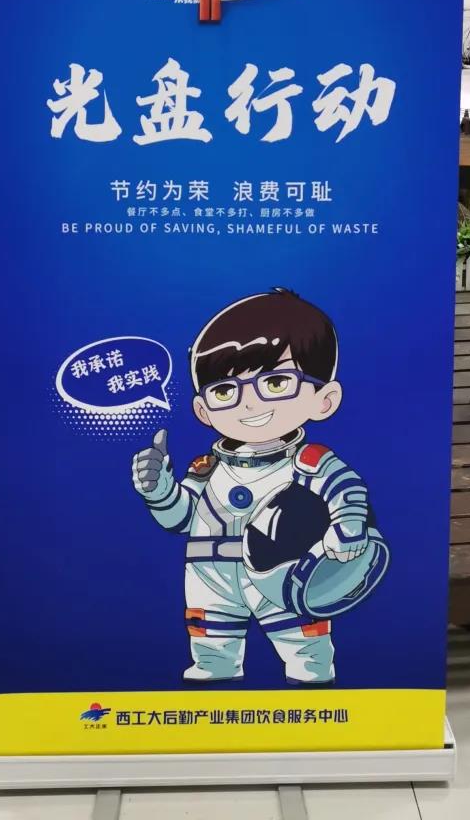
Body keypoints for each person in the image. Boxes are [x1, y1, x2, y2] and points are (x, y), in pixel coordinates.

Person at [131, 288, 387, 686]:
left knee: (309, 662)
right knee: (211, 664)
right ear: (203, 409)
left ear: (324, 399)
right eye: (224, 391)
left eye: (276, 382)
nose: (248, 403)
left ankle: (312, 714)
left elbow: (347, 491)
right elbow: (181, 520)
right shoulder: (207, 469)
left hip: (289, 575)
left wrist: (349, 527)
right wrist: (159, 489)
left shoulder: (309, 463)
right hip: (210, 578)